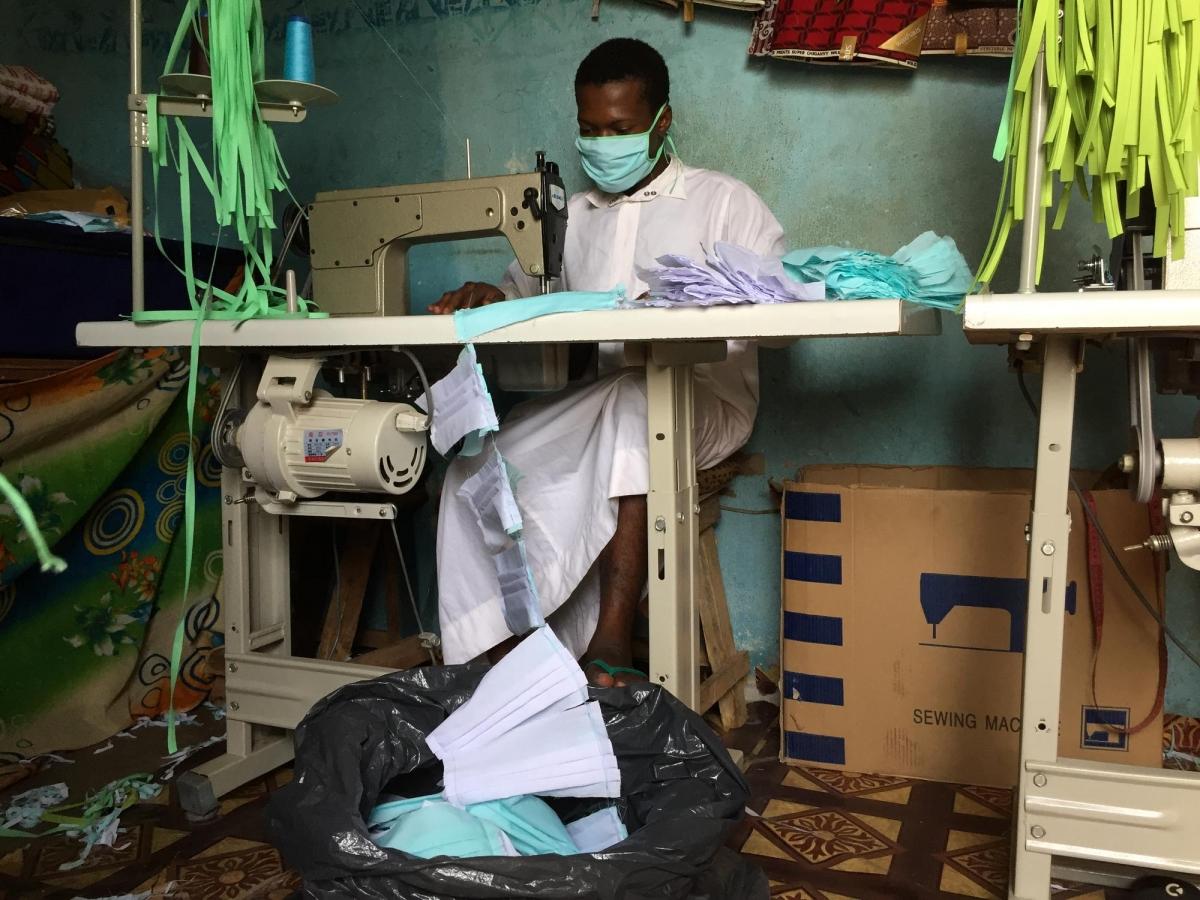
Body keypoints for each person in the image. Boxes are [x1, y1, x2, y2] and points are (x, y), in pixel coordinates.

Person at [431, 37, 785, 687]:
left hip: (704, 405)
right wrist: (496, 295)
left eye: (620, 129)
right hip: (600, 405)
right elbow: (530, 298)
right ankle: (503, 654)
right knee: (473, 464)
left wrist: (701, 300)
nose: (602, 143)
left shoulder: (723, 202)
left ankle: (612, 636)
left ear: (662, 121)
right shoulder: (575, 217)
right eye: (589, 130)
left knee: (632, 404)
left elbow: (783, 318)